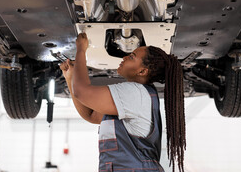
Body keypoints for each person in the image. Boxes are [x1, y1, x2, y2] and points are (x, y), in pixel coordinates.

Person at [60, 33, 186, 172]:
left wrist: (81, 50)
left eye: (131, 57)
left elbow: (82, 92)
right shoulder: (133, 96)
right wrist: (70, 78)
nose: (124, 57)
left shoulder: (136, 94)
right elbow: (90, 114)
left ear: (142, 71)